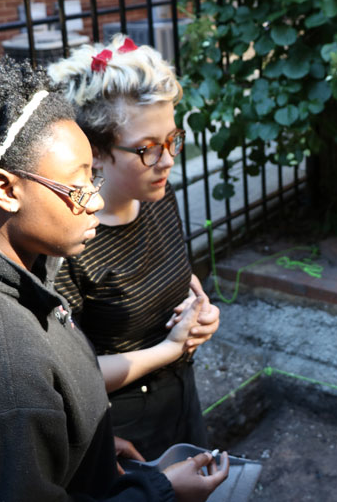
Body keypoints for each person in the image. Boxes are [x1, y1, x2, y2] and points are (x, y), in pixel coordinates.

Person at [0, 58, 228, 501]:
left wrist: (82, 448)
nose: (94, 200)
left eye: (93, 177)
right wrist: (160, 492)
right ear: (5, 189)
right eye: (78, 185)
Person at [47, 35, 220, 460]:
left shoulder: (157, 196)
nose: (167, 160)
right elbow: (68, 376)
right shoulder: (69, 244)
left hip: (181, 393)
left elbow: (176, 274)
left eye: (172, 140)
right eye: (145, 149)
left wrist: (201, 310)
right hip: (121, 423)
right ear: (97, 153)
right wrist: (170, 349)